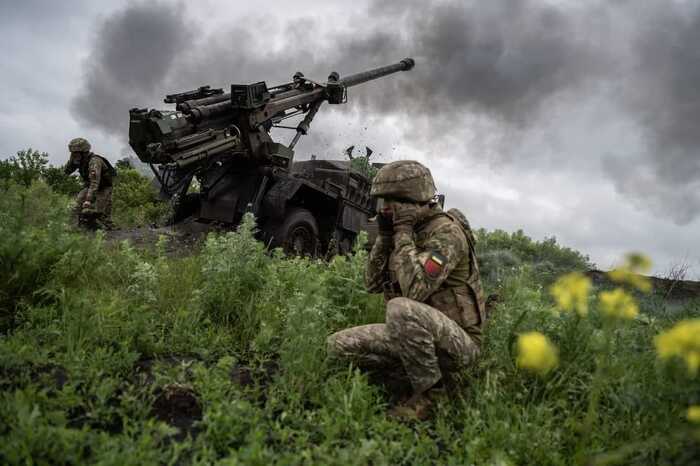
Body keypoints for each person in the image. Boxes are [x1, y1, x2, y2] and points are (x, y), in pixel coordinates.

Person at [327, 160, 485, 420]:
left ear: (417, 200)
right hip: (415, 336)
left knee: (399, 306)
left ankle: (433, 396)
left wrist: (401, 233)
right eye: (384, 202)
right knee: (338, 345)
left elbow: (414, 291)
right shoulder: (406, 232)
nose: (386, 209)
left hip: (459, 345)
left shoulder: (447, 233)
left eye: (393, 201)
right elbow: (372, 284)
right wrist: (386, 237)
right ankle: (408, 372)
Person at [64, 137, 116, 230]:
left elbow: (95, 181)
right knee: (75, 206)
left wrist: (88, 199)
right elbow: (66, 172)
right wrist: (72, 161)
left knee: (101, 214)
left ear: (83, 152)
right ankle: (71, 228)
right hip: (90, 186)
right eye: (72, 153)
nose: (74, 154)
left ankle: (108, 231)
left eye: (76, 152)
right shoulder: (79, 160)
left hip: (104, 187)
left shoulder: (94, 161)